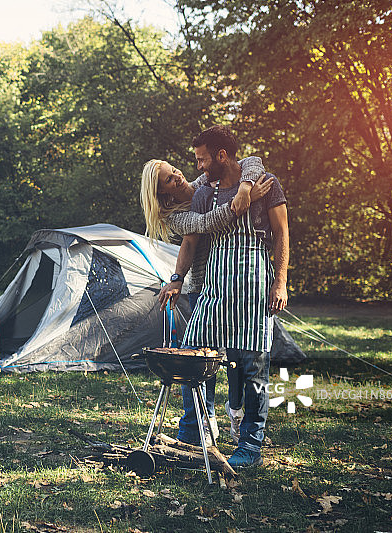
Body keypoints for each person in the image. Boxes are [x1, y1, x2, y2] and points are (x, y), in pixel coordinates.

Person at [159, 125, 289, 468]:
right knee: (190, 354)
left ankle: (250, 445)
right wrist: (177, 279)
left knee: (253, 368)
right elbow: (190, 241)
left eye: (202, 160)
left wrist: (281, 282)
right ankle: (194, 429)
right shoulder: (204, 196)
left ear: (221, 156)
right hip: (214, 290)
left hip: (253, 288)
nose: (198, 168)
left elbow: (281, 234)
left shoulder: (265, 183)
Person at [141, 157, 272, 446]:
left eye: (173, 170)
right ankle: (200, 423)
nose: (176, 176)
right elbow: (204, 225)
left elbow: (252, 160)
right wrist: (242, 202)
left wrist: (245, 187)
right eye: (168, 179)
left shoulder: (203, 185)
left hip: (235, 280)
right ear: (162, 192)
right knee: (199, 359)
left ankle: (236, 413)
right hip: (205, 286)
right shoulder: (174, 216)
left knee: (239, 358)